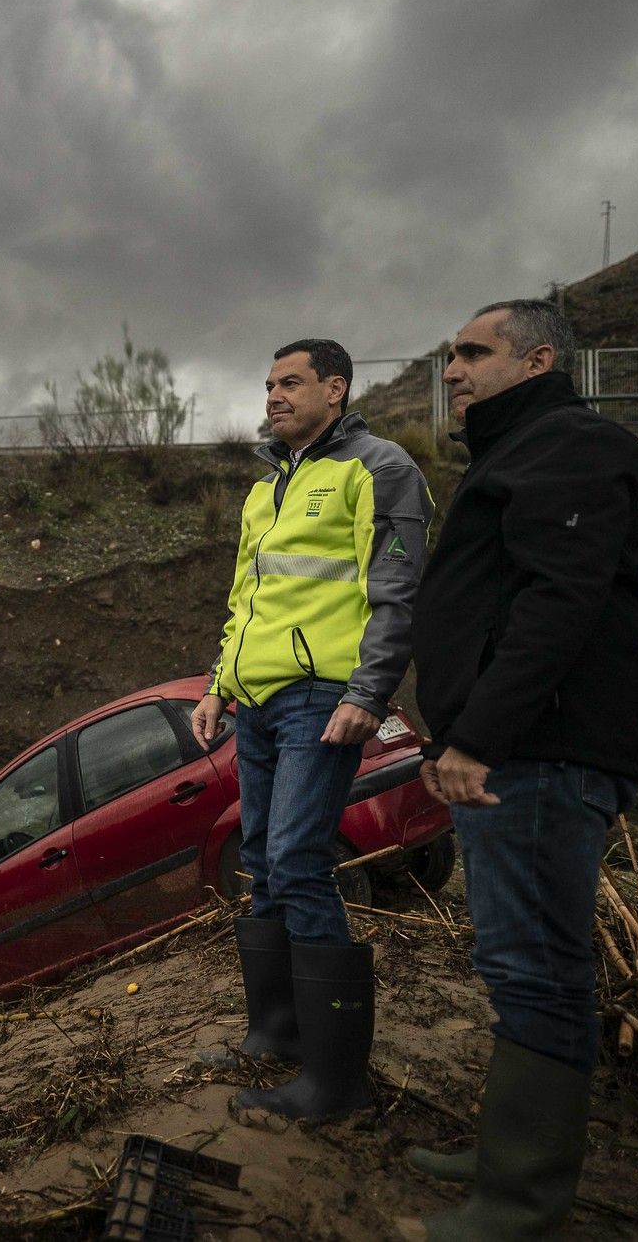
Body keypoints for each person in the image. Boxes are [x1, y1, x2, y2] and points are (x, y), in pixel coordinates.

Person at [403, 300, 638, 1241]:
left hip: (542, 751)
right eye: (451, 355)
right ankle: (505, 1154)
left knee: (540, 964)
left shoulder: (572, 445)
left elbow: (561, 602)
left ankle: (520, 1200)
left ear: (538, 359)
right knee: (516, 960)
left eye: (473, 352)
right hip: (521, 745)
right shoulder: (521, 452)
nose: (454, 369)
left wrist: (479, 738)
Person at [191, 338, 431, 1122]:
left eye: (290, 382)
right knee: (261, 860)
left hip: (322, 698)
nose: (273, 394)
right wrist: (218, 686)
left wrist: (371, 690)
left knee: (297, 862)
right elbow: (244, 599)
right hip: (257, 704)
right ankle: (277, 1033)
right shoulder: (266, 488)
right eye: (267, 383)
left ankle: (336, 1086)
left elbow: (397, 592)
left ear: (336, 388)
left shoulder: (381, 467)